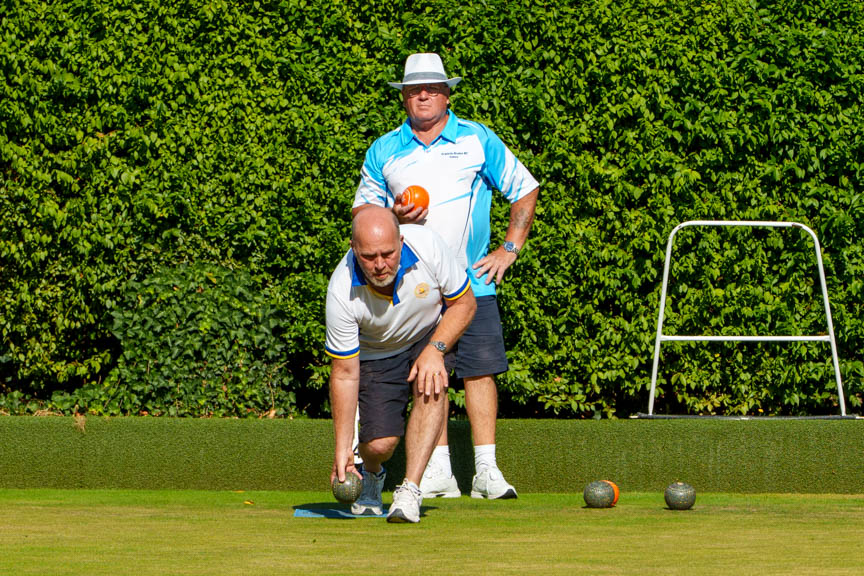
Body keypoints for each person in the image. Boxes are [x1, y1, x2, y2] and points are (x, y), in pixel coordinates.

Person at [353, 53, 539, 500]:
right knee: (426, 374)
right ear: (403, 96)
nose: (423, 95)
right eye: (415, 88)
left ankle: (486, 471)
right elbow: (362, 211)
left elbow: (524, 187)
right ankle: (437, 472)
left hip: (473, 282)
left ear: (446, 94)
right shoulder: (384, 149)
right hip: (415, 288)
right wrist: (391, 214)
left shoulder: (477, 139)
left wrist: (509, 249)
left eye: (432, 88)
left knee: (480, 373)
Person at [326, 206, 476, 523]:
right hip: (377, 352)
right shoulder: (340, 290)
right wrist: (343, 449)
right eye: (369, 257)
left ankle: (410, 489)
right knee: (379, 446)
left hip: (429, 335)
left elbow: (464, 303)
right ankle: (373, 473)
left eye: (388, 253)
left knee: (432, 381)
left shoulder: (428, 246)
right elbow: (344, 374)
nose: (380, 265)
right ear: (354, 249)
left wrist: (436, 349)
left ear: (402, 241)